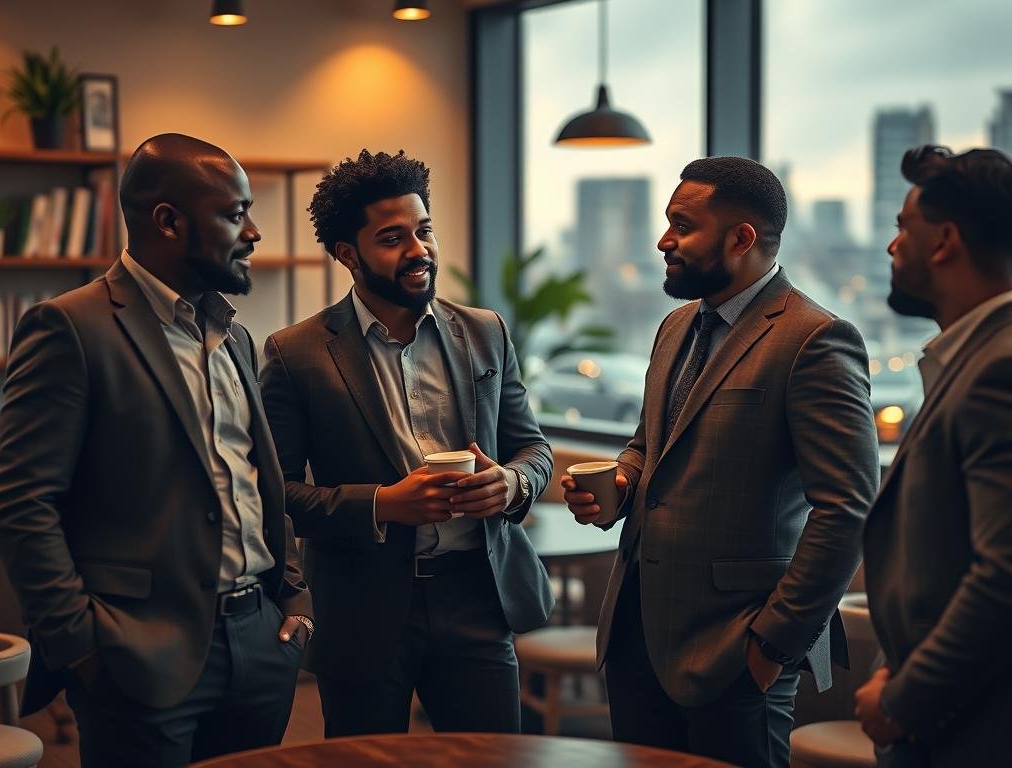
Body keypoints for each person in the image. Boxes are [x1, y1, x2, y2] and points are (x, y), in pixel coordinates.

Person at [0, 133, 312, 767]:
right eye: (235, 213)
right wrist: (83, 647)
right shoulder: (69, 328)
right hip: (136, 657)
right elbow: (22, 505)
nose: (254, 233)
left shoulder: (236, 338)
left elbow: (258, 480)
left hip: (260, 642)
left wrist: (293, 600)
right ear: (168, 221)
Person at [562, 156, 880, 767]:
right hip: (637, 634)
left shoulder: (815, 339)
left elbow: (847, 509)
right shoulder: (675, 326)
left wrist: (771, 645)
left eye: (682, 225)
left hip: (736, 650)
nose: (664, 240)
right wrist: (622, 483)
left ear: (742, 239)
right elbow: (647, 445)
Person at [260, 149, 553, 737]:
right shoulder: (297, 355)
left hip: (478, 594)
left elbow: (534, 449)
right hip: (361, 609)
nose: (419, 250)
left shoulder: (485, 332)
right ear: (348, 254)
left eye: (424, 230)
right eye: (392, 238)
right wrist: (383, 504)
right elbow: (274, 494)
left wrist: (512, 483)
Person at [856, 145, 1012, 767]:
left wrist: (903, 698)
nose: (893, 247)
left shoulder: (998, 370)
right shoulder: (972, 357)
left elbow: (1004, 575)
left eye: (902, 228)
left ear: (944, 240)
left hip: (966, 728)